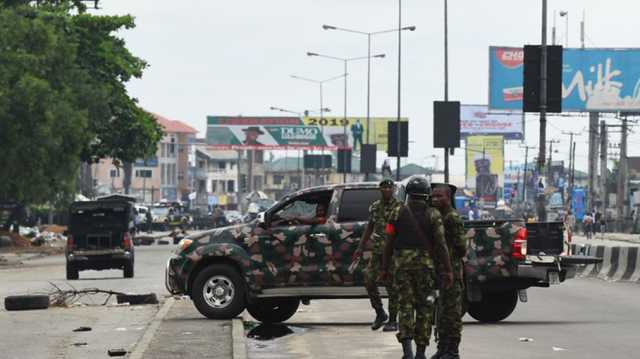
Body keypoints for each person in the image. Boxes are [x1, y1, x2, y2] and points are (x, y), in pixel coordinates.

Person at [381, 176, 453, 359]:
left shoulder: (396, 213)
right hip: (426, 270)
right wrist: (448, 269)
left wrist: (384, 268)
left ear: (408, 194)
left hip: (402, 269)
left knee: (405, 307)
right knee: (425, 308)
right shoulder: (434, 215)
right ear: (427, 194)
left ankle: (407, 353)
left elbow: (388, 243)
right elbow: (441, 245)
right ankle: (421, 353)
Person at [353, 179, 402, 331]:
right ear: (380, 189)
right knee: (369, 280)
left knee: (392, 286)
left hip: (393, 252)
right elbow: (370, 227)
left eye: (389, 187)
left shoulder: (400, 207)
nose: (387, 190)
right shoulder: (375, 207)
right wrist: (360, 247)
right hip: (378, 251)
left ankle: (393, 320)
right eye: (384, 187)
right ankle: (380, 312)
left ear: (393, 189)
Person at [430, 185, 467, 359]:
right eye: (433, 196)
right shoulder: (437, 216)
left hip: (452, 270)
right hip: (440, 270)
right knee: (442, 312)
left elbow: (461, 247)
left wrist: (450, 262)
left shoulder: (452, 217)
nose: (435, 199)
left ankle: (452, 351)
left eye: (439, 196)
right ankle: (442, 348)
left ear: (448, 197)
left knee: (452, 313)